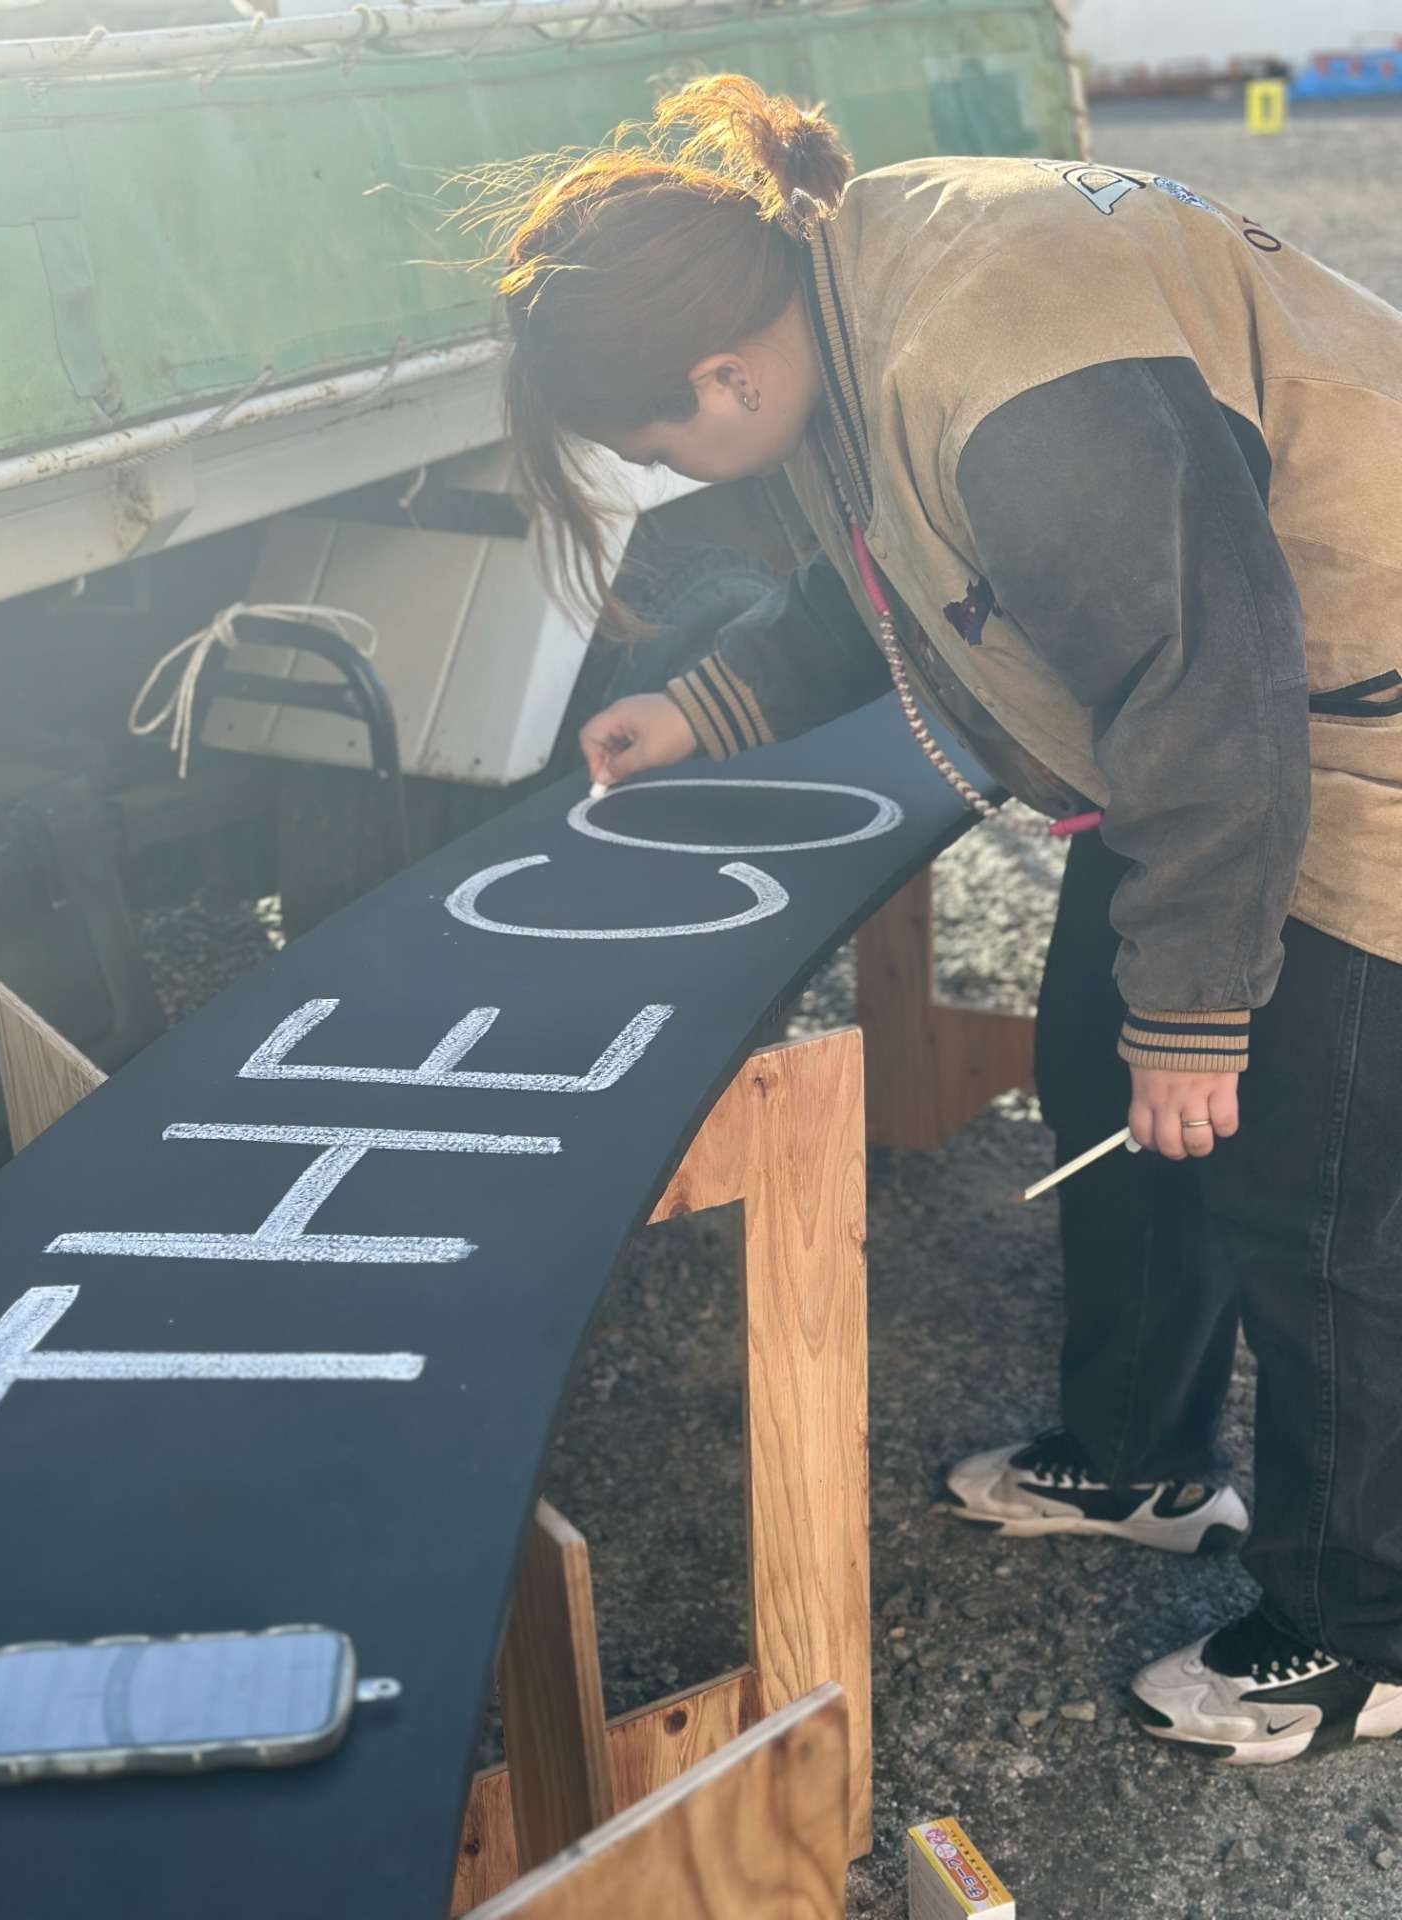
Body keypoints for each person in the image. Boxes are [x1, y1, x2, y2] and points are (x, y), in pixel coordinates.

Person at [479, 75, 1402, 1764]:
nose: (668, 473)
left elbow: (1215, 687)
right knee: (1104, 1074)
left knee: (1319, 1199)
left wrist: (1200, 1009)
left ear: (724, 377)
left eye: (658, 449)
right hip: (1223, 723)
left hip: (1347, 727)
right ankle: (1138, 1460)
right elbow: (903, 565)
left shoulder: (1007, 371)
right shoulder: (843, 288)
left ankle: (1363, 1632)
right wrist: (708, 704)